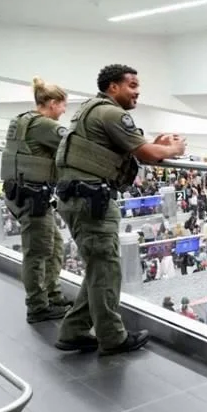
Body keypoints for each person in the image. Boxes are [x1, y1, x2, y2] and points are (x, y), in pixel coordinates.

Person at [54, 64, 186, 355]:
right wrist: (172, 150)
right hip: (92, 203)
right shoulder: (112, 113)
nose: (137, 91)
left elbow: (133, 148)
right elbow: (148, 154)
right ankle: (112, 337)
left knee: (98, 270)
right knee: (106, 271)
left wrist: (154, 146)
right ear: (113, 87)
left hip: (77, 199)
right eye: (132, 85)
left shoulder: (91, 110)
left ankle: (74, 330)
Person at [0, 77, 72, 323]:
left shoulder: (21, 120)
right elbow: (75, 145)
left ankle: (52, 295)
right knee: (38, 252)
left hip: (21, 193)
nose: (64, 111)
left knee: (54, 244)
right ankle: (38, 306)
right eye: (63, 105)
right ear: (52, 103)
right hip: (33, 197)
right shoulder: (44, 125)